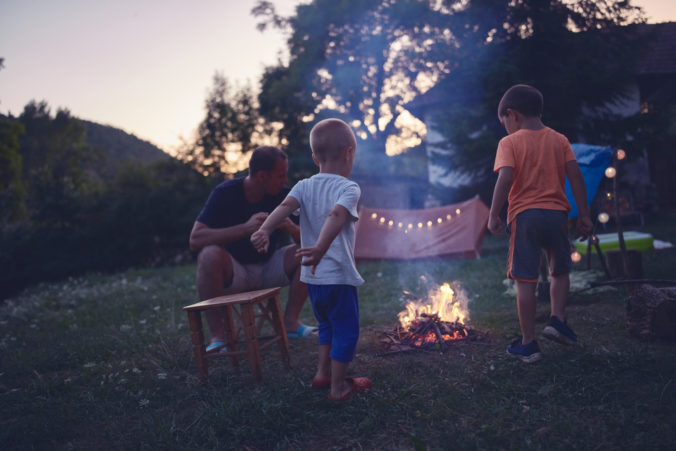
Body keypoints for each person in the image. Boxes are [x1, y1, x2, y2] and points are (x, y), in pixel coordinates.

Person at [251, 118, 371, 401]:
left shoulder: (303, 186)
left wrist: (264, 229)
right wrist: (319, 247)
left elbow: (283, 207)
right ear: (349, 152)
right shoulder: (349, 188)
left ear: (315, 157)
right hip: (337, 276)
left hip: (312, 278)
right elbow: (336, 215)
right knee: (345, 330)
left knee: (326, 325)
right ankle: (338, 387)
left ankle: (322, 373)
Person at [487, 84, 593, 363]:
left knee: (525, 279)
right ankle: (557, 320)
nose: (505, 129)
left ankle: (528, 343)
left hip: (525, 216)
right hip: (557, 215)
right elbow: (576, 176)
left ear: (513, 115)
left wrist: (493, 213)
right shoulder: (559, 139)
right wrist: (584, 214)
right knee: (559, 269)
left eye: (504, 123)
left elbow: (505, 177)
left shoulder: (509, 143)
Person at [189, 146, 315, 353]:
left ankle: (291, 323)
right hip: (235, 270)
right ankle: (218, 337)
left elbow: (311, 240)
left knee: (308, 252)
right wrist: (245, 229)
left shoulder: (284, 195)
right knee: (209, 254)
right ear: (262, 176)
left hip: (269, 266)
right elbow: (195, 239)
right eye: (280, 175)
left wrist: (291, 228)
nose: (285, 180)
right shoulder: (225, 193)